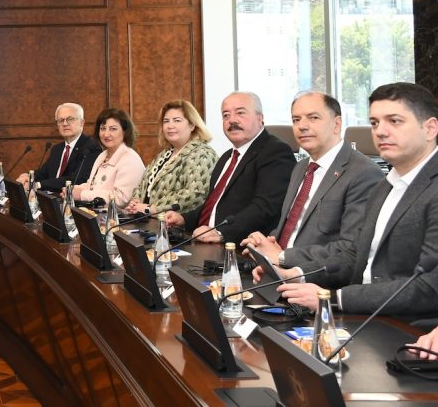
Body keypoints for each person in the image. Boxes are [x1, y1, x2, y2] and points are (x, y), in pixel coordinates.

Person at [276, 82, 438, 316]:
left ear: (430, 128)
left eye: (394, 121)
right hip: (362, 313)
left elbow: (428, 288)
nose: (380, 131)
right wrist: (297, 274)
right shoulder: (385, 186)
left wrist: (334, 299)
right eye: (374, 123)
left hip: (406, 325)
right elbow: (355, 255)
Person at [242, 91, 383, 267]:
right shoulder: (300, 167)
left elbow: (350, 248)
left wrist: (283, 256)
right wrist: (265, 245)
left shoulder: (363, 173)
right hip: (276, 270)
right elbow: (291, 228)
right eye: (296, 119)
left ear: (337, 124)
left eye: (313, 118)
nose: (302, 126)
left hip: (315, 277)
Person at [164, 92, 295, 244]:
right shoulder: (227, 157)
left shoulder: (275, 152)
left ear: (260, 118)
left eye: (240, 113)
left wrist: (221, 233)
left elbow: (265, 208)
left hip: (240, 247)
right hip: (204, 241)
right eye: (226, 115)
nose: (232, 120)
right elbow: (214, 205)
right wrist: (184, 219)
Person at [127, 100, 216, 215]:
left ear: (192, 125)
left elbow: (196, 194)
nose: (170, 126)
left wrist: (152, 208)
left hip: (180, 223)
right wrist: (136, 202)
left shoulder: (203, 154)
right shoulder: (165, 154)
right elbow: (143, 184)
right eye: (166, 121)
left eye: (177, 120)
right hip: (148, 220)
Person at [16, 103, 100, 193]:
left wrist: (38, 185)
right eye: (60, 120)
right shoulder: (57, 149)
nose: (65, 123)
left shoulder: (91, 147)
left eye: (70, 119)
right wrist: (28, 176)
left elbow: (77, 179)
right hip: (50, 198)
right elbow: (43, 173)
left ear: (82, 123)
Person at [73, 108, 144, 208]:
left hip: (119, 216)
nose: (106, 134)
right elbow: (92, 186)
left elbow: (122, 199)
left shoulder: (130, 160)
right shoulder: (102, 155)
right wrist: (73, 189)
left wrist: (82, 195)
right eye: (103, 128)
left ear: (125, 131)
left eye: (113, 129)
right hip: (97, 213)